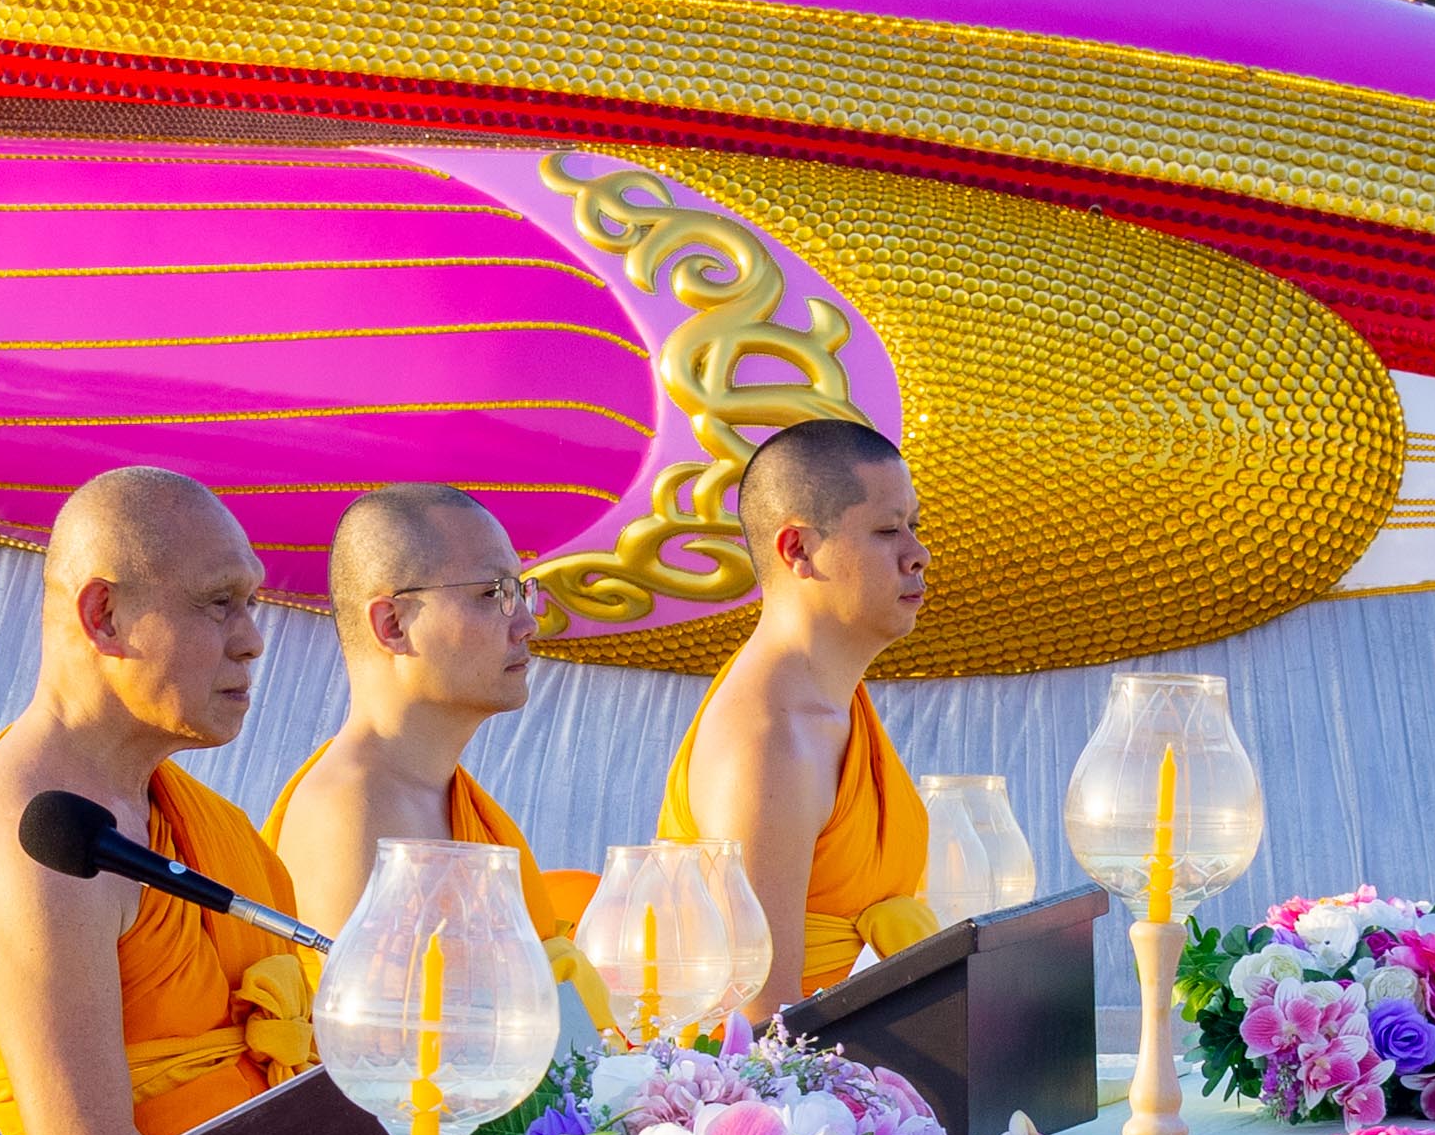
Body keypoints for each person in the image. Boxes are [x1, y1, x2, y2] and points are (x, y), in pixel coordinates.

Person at [0, 465, 306, 1135]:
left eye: (251, 602)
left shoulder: (172, 810)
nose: (251, 641)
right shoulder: (37, 843)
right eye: (219, 603)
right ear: (105, 617)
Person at [659, 417, 939, 1015]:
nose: (918, 555)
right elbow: (760, 1018)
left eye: (914, 527)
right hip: (794, 1093)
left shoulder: (834, 701)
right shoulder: (768, 739)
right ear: (799, 550)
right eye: (888, 530)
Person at [268, 485, 603, 958]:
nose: (527, 623)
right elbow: (359, 1031)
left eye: (520, 591)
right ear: (393, 626)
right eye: (492, 593)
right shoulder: (349, 811)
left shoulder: (444, 794)